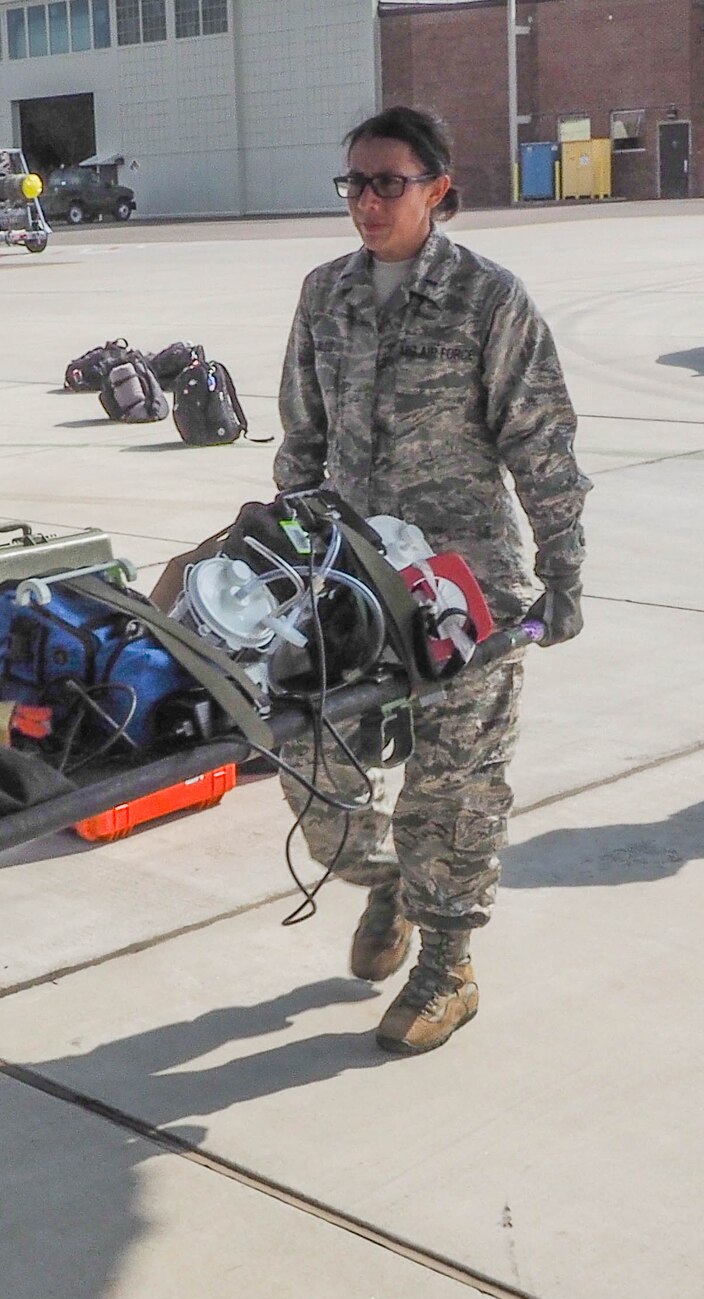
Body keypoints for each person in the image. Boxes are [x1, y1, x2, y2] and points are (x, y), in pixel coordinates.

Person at [274, 106, 589, 1055]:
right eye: (355, 185)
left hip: (465, 583)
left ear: (438, 190)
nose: (368, 203)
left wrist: (564, 563)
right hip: (353, 578)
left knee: (454, 784)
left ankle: (448, 965)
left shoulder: (489, 297)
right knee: (307, 755)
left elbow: (541, 439)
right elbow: (302, 439)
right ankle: (387, 883)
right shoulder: (324, 294)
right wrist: (291, 551)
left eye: (389, 184)